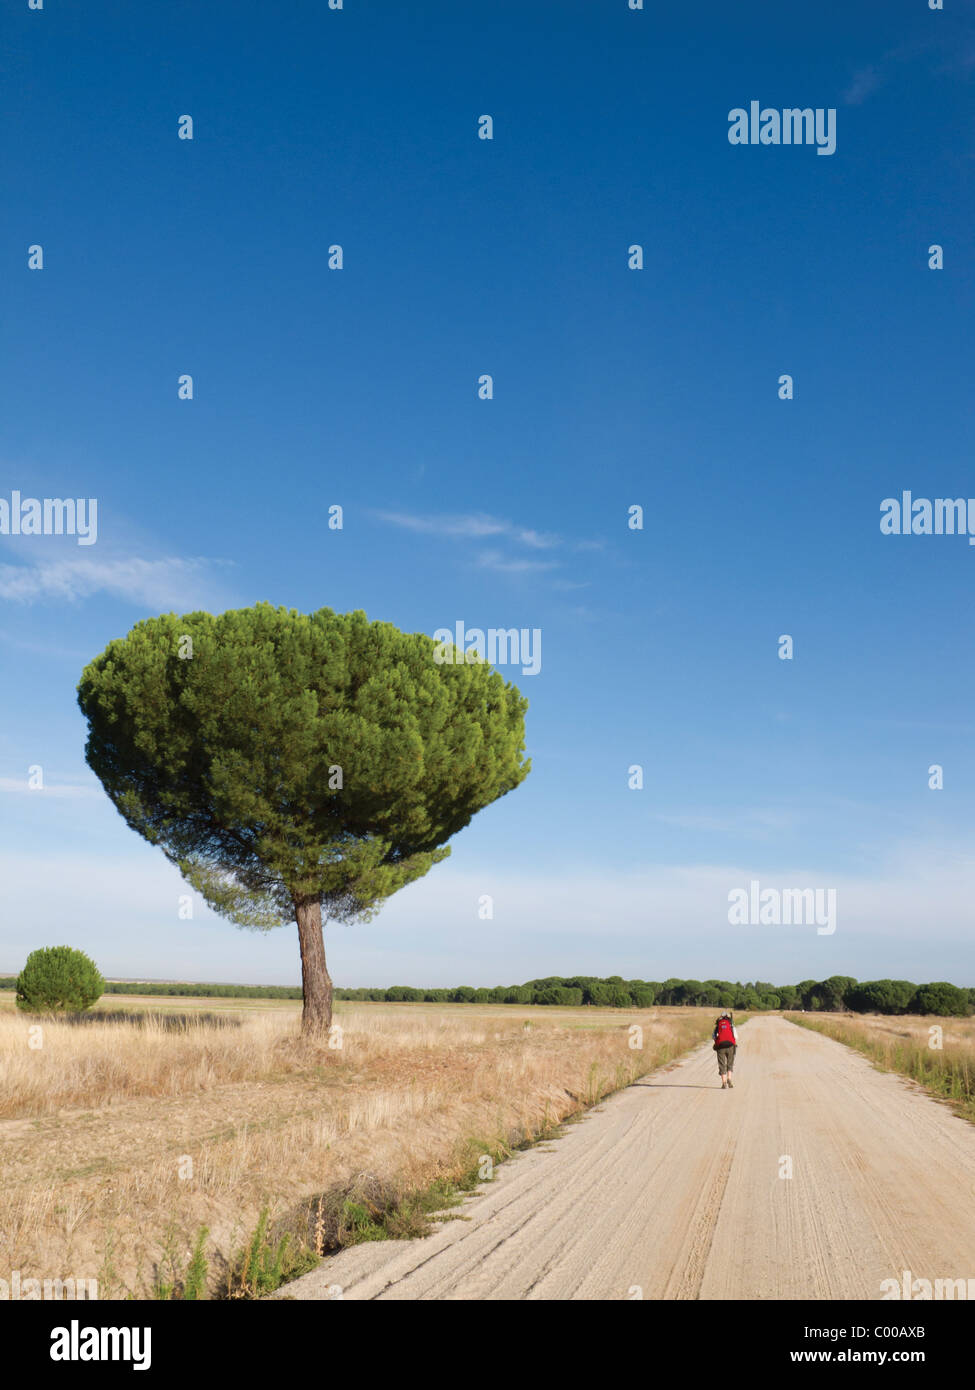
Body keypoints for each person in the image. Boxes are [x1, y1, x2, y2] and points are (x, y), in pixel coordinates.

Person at [713, 1011, 738, 1088]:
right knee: (730, 1063)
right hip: (730, 1046)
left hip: (720, 1046)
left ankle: (724, 1082)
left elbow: (714, 1036)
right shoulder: (731, 1025)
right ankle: (729, 1079)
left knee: (722, 1064)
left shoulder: (718, 1025)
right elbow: (736, 1036)